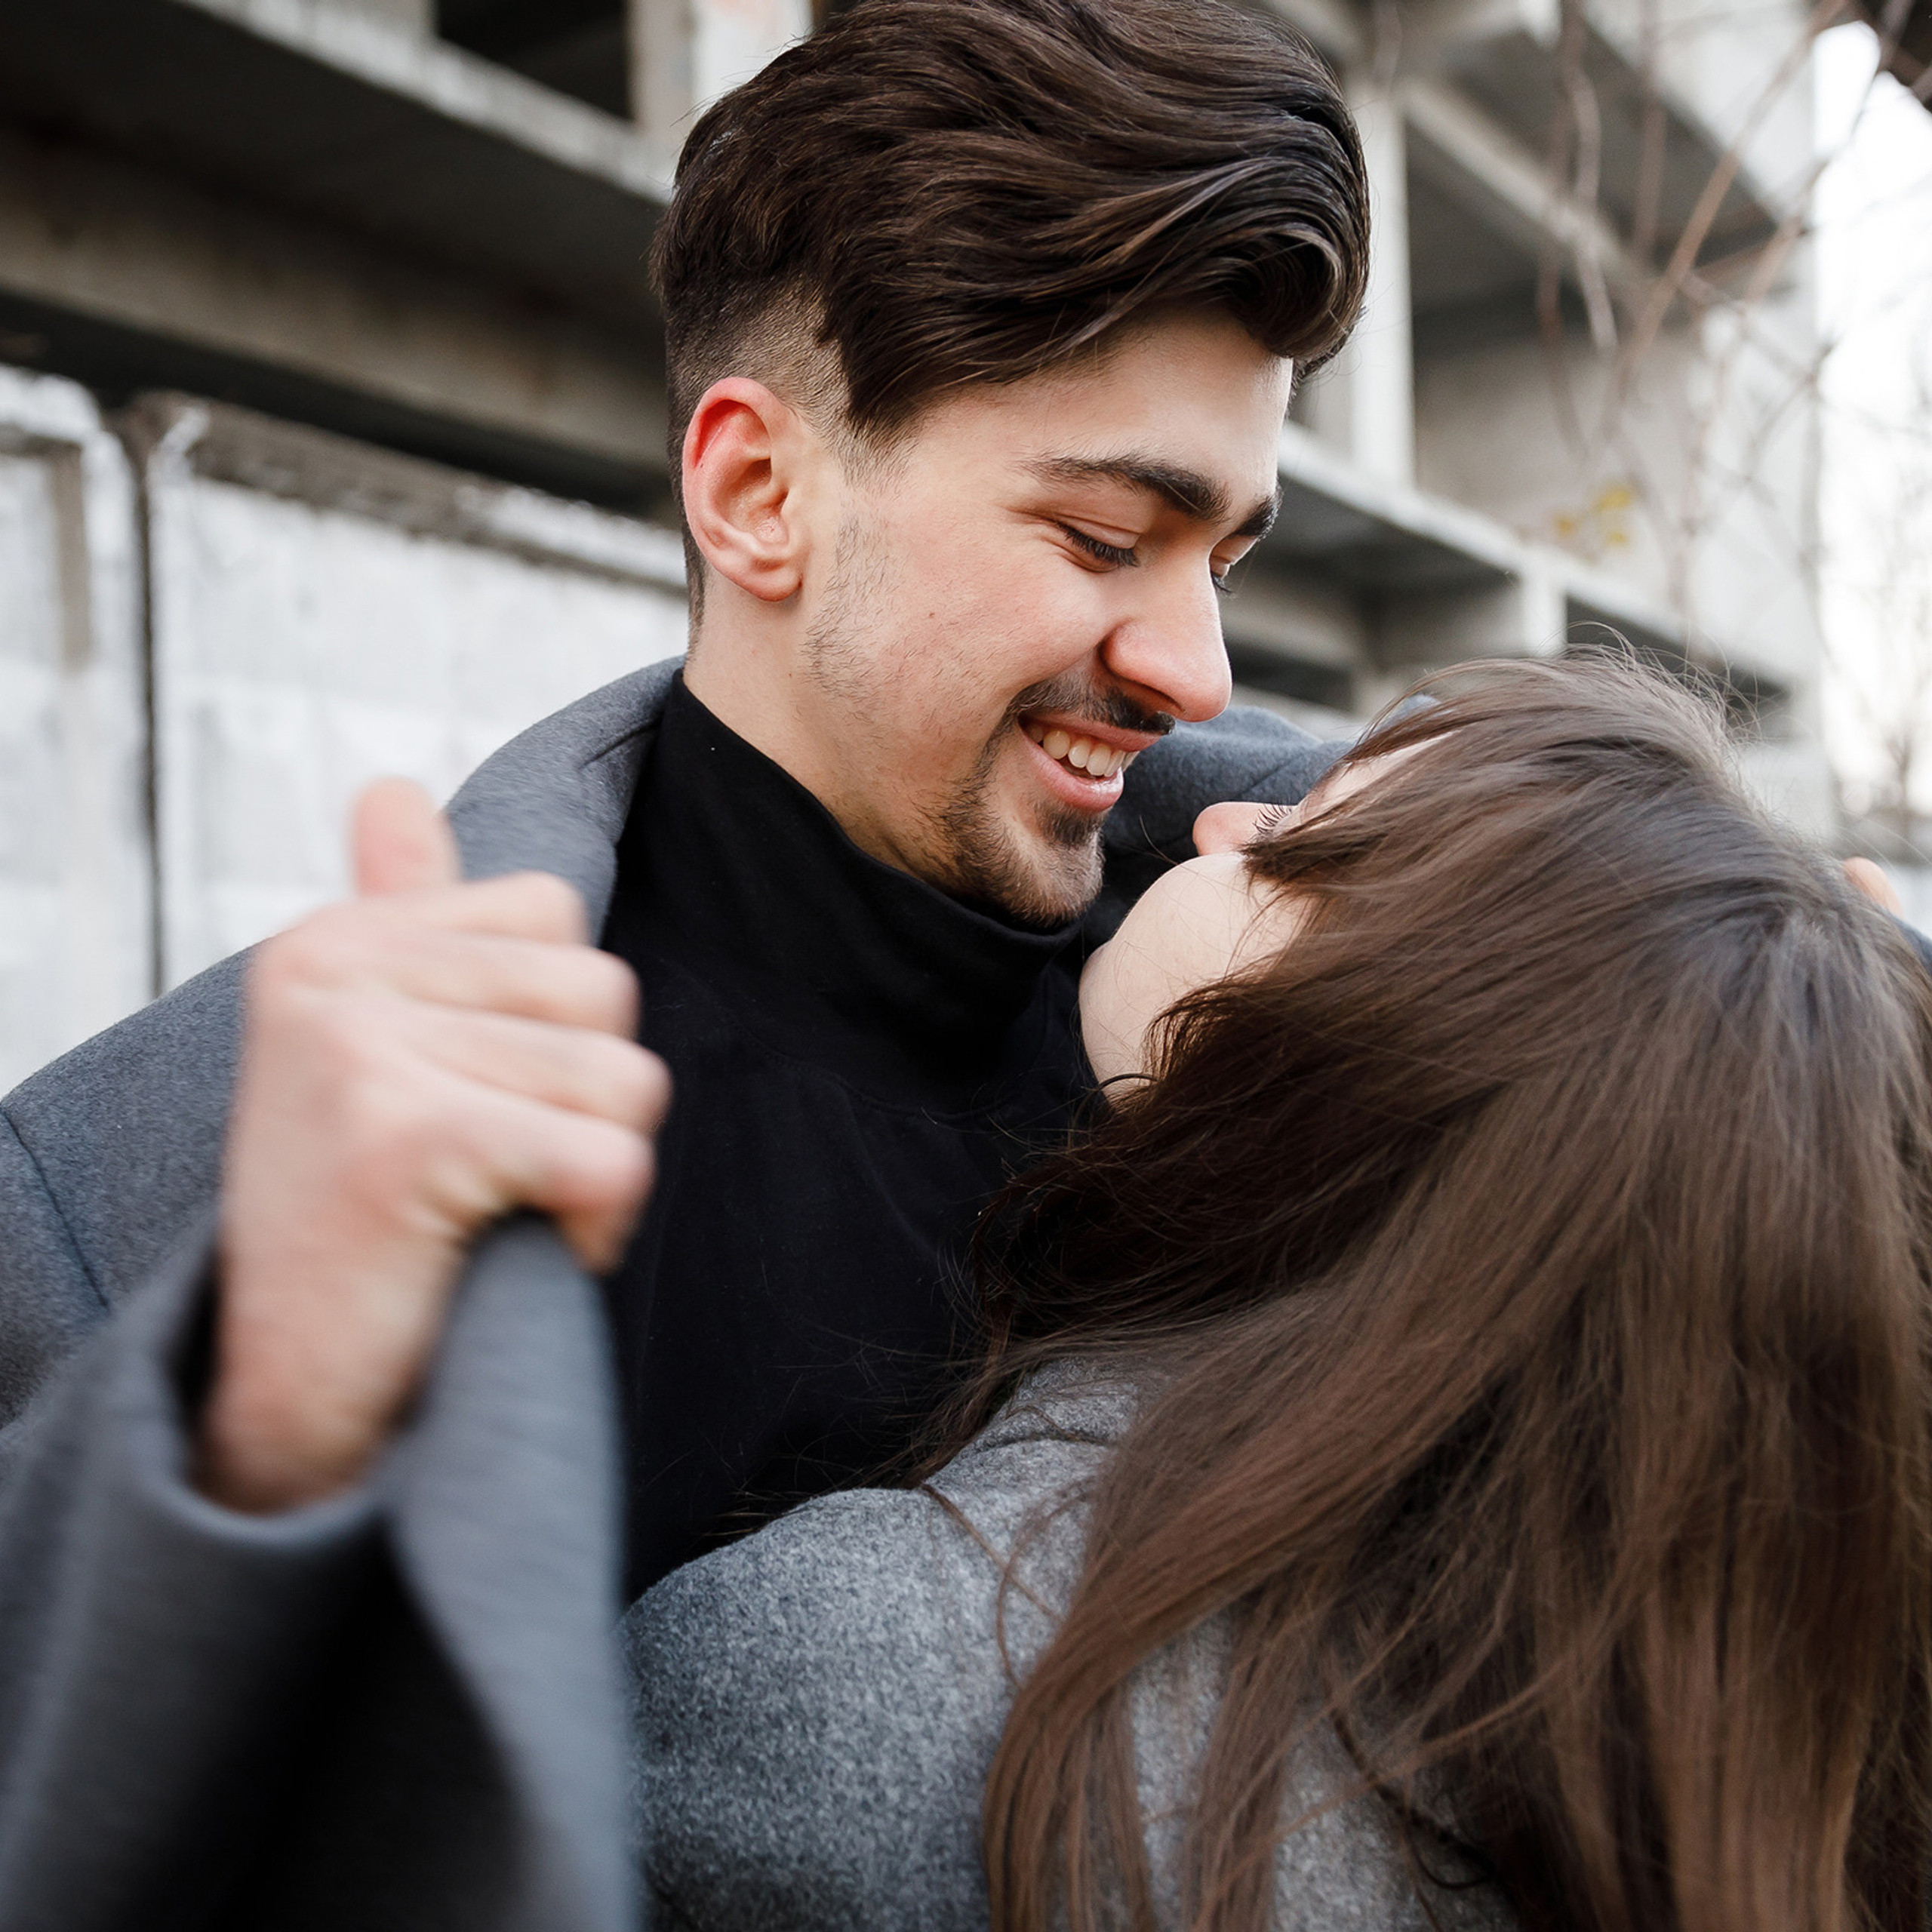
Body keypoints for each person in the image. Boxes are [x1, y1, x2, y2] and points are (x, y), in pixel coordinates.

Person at [0, 3, 1368, 1925]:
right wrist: (250, 1445)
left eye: (1217, 559)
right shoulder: (127, 1192)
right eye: (1101, 534)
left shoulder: (1372, 994)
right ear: (757, 492)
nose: (1196, 668)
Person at [623, 657, 1932, 1932]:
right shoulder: (1788, 1718)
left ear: (1381, 1058)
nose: (1218, 812)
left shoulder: (868, 1676)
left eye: (1297, 834)